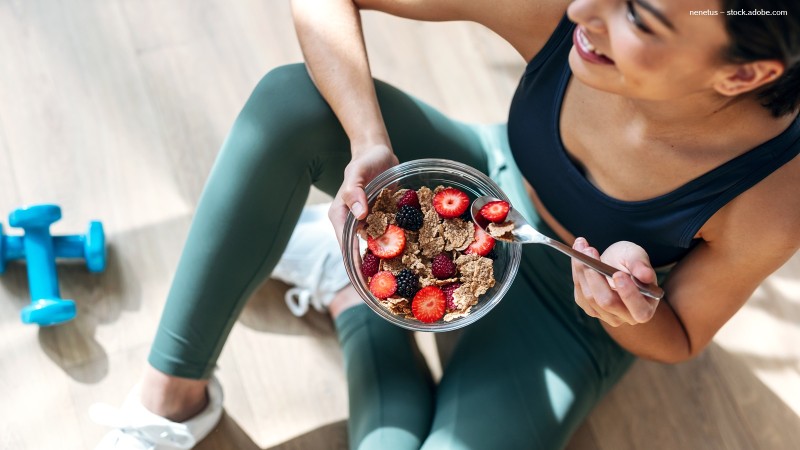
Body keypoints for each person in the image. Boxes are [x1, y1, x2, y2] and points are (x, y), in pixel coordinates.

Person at [92, 0, 800, 448]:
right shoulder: (571, 12)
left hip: (571, 322)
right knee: (290, 104)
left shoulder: (775, 192)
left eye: (639, 16)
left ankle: (354, 301)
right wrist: (370, 141)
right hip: (484, 187)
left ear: (743, 75)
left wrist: (624, 307)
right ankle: (171, 402)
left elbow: (677, 336)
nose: (586, 9)